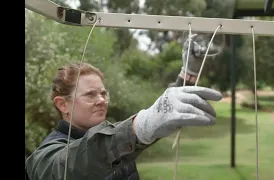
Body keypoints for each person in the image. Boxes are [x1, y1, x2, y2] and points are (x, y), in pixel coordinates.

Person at [25, 35, 223, 180]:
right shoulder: (47, 157)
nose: (101, 100)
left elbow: (137, 132)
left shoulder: (110, 137)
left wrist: (187, 75)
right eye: (90, 94)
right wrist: (141, 125)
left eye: (103, 93)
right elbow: (78, 161)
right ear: (62, 104)